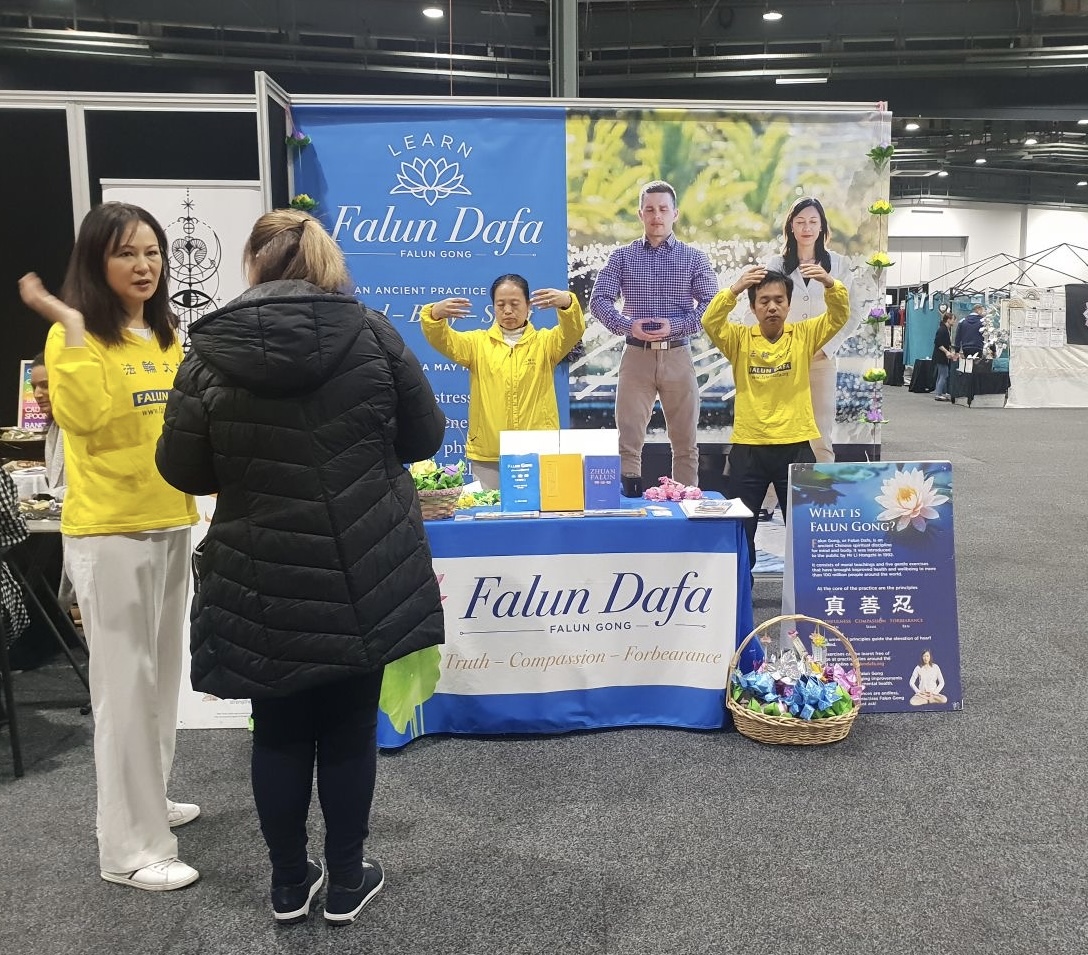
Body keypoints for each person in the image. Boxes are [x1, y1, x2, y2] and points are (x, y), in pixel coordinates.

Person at [156, 208, 446, 926]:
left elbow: (182, 467)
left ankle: (289, 883)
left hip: (260, 572)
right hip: (363, 564)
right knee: (348, 728)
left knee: (279, 729)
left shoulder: (207, 352)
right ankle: (346, 880)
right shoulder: (372, 333)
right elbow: (425, 437)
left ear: (252, 264)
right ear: (325, 262)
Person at [17, 202, 201, 891]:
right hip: (111, 531)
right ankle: (130, 849)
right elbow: (87, 420)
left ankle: (152, 801)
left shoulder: (163, 333)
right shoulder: (75, 337)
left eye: (152, 251)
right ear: (97, 261)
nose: (144, 265)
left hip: (171, 519)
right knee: (123, 691)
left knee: (159, 677)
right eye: (126, 253)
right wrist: (68, 324)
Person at [702, 265, 850, 571]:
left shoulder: (804, 335)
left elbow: (839, 316)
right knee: (740, 531)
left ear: (788, 304)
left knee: (805, 530)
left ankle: (806, 592)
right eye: (764, 300)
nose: (772, 307)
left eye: (779, 300)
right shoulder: (739, 339)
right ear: (753, 307)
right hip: (749, 449)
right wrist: (735, 288)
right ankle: (742, 593)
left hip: (796, 447)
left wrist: (829, 283)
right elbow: (710, 321)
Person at [589, 180, 718, 487]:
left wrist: (675, 326)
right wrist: (626, 325)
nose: (656, 216)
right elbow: (598, 300)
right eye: (649, 209)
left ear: (675, 213)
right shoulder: (622, 257)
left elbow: (712, 306)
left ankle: (686, 501)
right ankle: (629, 500)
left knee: (685, 443)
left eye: (663, 209)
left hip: (678, 355)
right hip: (636, 356)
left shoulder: (694, 258)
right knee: (629, 441)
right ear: (640, 214)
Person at [422, 275, 584, 490]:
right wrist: (433, 315)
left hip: (539, 451)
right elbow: (442, 340)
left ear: (528, 306)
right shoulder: (476, 344)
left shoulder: (546, 343)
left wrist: (568, 304)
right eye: (501, 305)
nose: (508, 310)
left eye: (515, 304)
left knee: (540, 508)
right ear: (493, 308)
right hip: (490, 454)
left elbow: (573, 331)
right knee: (489, 508)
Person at [765, 197, 856, 463]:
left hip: (821, 360)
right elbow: (763, 310)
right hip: (783, 360)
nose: (807, 228)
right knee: (776, 431)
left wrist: (827, 348)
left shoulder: (838, 265)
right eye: (800, 221)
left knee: (820, 432)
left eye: (813, 222)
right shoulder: (776, 265)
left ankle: (824, 488)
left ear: (822, 227)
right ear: (791, 227)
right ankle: (771, 491)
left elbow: (852, 313)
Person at [29, 353, 67, 498]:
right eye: (34, 387)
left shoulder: (83, 428)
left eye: (45, 386)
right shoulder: (55, 427)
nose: (37, 394)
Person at [931, 312, 956, 401]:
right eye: (953, 320)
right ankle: (938, 394)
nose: (954, 322)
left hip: (941, 356)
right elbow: (938, 343)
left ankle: (939, 392)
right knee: (944, 374)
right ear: (948, 320)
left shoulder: (946, 329)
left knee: (940, 375)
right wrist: (946, 352)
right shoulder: (942, 330)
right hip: (940, 356)